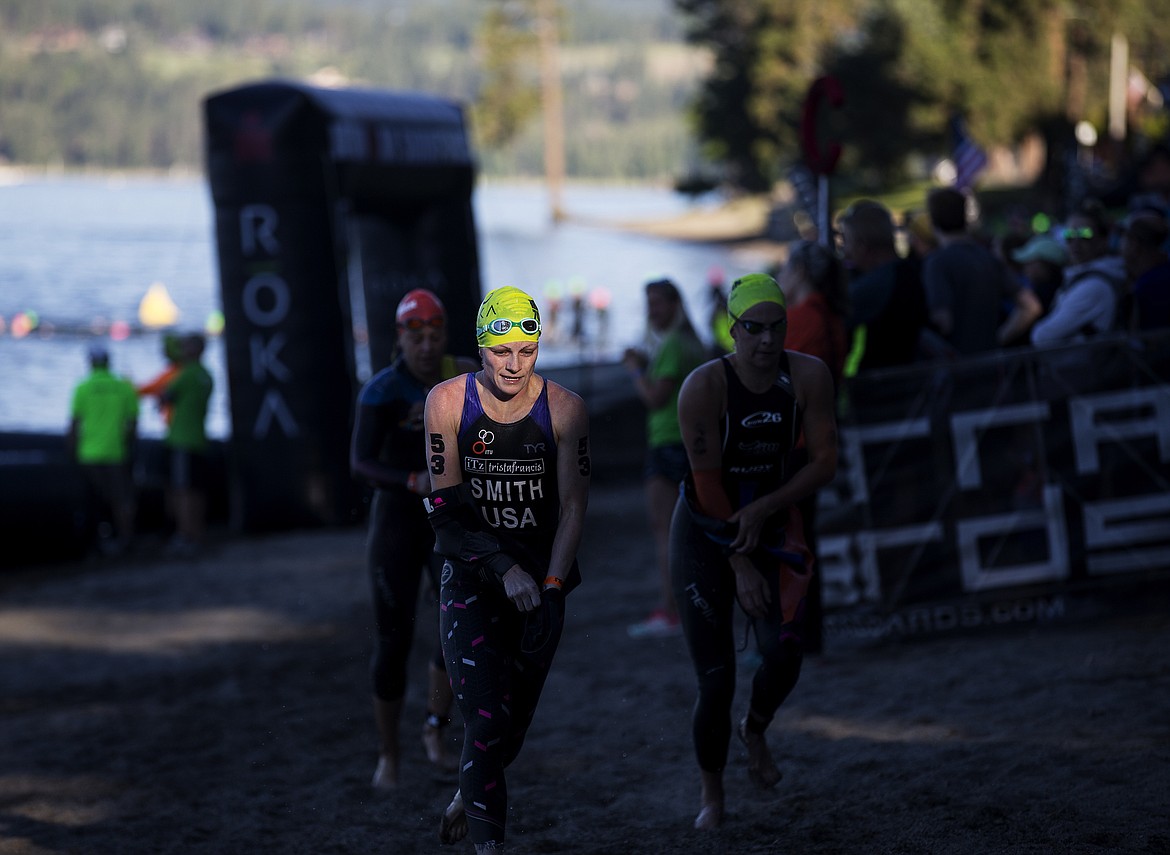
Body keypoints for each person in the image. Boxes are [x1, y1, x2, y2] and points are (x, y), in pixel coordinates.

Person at [422, 285, 590, 853]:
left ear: (538, 346)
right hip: (471, 574)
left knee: (508, 733)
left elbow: (573, 509)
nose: (513, 365)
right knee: (487, 723)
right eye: (500, 352)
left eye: (525, 350)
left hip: (541, 581)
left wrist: (549, 584)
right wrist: (501, 567)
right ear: (480, 348)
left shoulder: (565, 410)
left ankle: (466, 796)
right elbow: (444, 513)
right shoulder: (447, 402)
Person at [671, 273, 838, 830]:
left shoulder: (809, 376)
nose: (766, 341)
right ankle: (712, 795)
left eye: (776, 327)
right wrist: (737, 561)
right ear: (732, 328)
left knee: (786, 649)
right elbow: (706, 481)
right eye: (753, 329)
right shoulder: (704, 388)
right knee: (716, 679)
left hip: (769, 519)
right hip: (704, 529)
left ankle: (758, 728)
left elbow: (823, 462)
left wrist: (768, 508)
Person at [349, 289, 479, 790]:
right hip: (399, 522)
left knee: (456, 628)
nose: (426, 347)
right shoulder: (381, 390)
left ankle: (434, 729)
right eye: (415, 336)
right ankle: (389, 753)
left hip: (448, 518)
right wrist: (410, 480)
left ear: (444, 335)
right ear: (399, 337)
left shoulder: (465, 375)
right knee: (393, 640)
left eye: (434, 335)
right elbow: (360, 463)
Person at [623, 278, 708, 639]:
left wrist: (636, 371)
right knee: (695, 531)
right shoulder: (693, 342)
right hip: (692, 443)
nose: (651, 312)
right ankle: (696, 602)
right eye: (648, 304)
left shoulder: (672, 345)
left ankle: (671, 610)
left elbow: (654, 398)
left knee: (666, 533)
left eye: (657, 303)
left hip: (667, 443)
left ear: (675, 304)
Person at [923, 187, 1042, 354]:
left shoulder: (937, 263)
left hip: (958, 367)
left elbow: (943, 321)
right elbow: (1031, 306)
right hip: (992, 365)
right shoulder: (988, 258)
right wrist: (997, 340)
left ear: (933, 220)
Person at [837, 200, 929, 371]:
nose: (845, 252)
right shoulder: (908, 271)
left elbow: (836, 317)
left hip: (887, 386)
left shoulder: (879, 283)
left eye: (846, 242)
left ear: (863, 246)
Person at [67, 344, 139, 555]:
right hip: (116, 452)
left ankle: (95, 542)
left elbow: (74, 423)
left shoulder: (83, 387)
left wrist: (71, 450)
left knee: (94, 500)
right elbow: (133, 423)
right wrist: (129, 446)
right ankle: (127, 539)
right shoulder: (124, 386)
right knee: (122, 498)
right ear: (109, 361)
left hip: (89, 453)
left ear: (90, 362)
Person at [1030, 199, 1127, 346]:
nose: (1075, 242)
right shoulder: (1079, 276)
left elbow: (1042, 337)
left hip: (1087, 368)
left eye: (1085, 234)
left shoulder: (1095, 285)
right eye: (1069, 234)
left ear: (1103, 240)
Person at [161, 332, 214, 557]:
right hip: (200, 439)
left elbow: (165, 395)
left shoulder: (187, 374)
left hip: (181, 440)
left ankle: (185, 536)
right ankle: (197, 534)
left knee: (183, 491)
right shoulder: (206, 375)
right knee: (197, 491)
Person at [1119, 211, 1170, 331]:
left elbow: (1151, 344)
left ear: (1134, 244)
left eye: (1123, 235)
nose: (1118, 242)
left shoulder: (1152, 286)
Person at [137, 332, 183, 426]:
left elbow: (146, 389)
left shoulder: (173, 374)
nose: (163, 352)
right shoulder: (181, 371)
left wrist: (125, 387)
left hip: (176, 426)